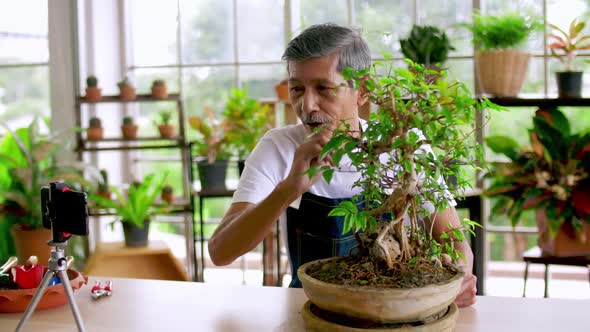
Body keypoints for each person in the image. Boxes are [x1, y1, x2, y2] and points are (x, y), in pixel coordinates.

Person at [208, 23, 477, 307]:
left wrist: (455, 279)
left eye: (323, 88)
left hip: (394, 308)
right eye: (297, 89)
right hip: (310, 309)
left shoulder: (405, 145)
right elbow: (220, 251)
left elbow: (455, 242)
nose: (307, 105)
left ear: (362, 91)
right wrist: (287, 190)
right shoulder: (279, 148)